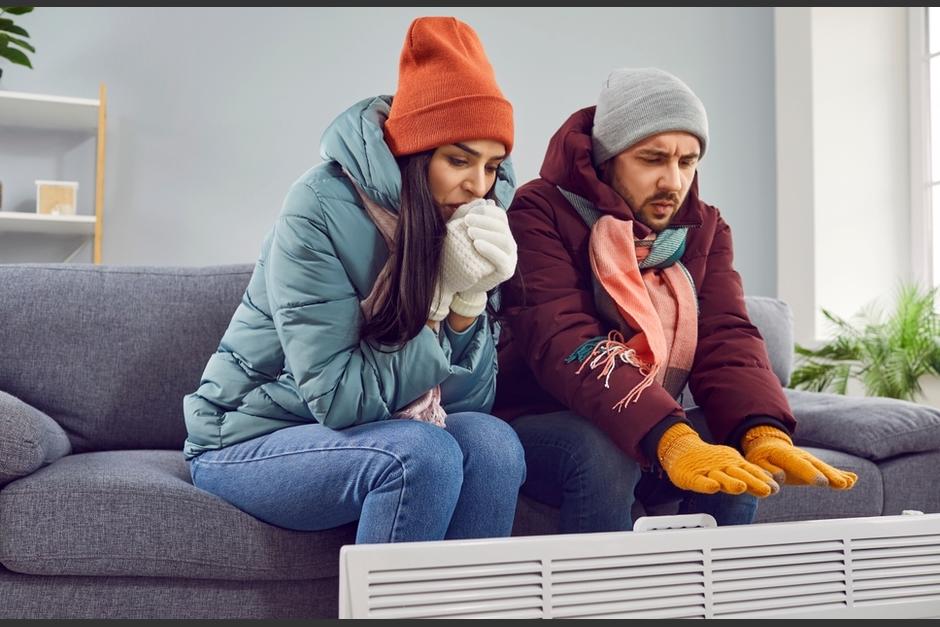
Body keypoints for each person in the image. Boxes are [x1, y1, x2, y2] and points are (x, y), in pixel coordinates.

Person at [183, 16, 525, 544]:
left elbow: (466, 405)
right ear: (415, 152)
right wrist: (435, 304)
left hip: (372, 429)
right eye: (459, 160)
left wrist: (468, 300)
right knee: (423, 458)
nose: (477, 187)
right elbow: (338, 400)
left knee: (494, 444)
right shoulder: (317, 209)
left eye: (492, 166)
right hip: (249, 437)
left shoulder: (465, 223)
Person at [494, 67, 857, 533]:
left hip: (650, 418)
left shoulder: (704, 228)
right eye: (653, 159)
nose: (674, 181)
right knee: (602, 452)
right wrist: (669, 436)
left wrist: (760, 431)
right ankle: (599, 602)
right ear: (607, 159)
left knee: (741, 460)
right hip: (544, 418)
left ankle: (713, 599)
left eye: (687, 162)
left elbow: (727, 337)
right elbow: (564, 341)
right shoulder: (538, 211)